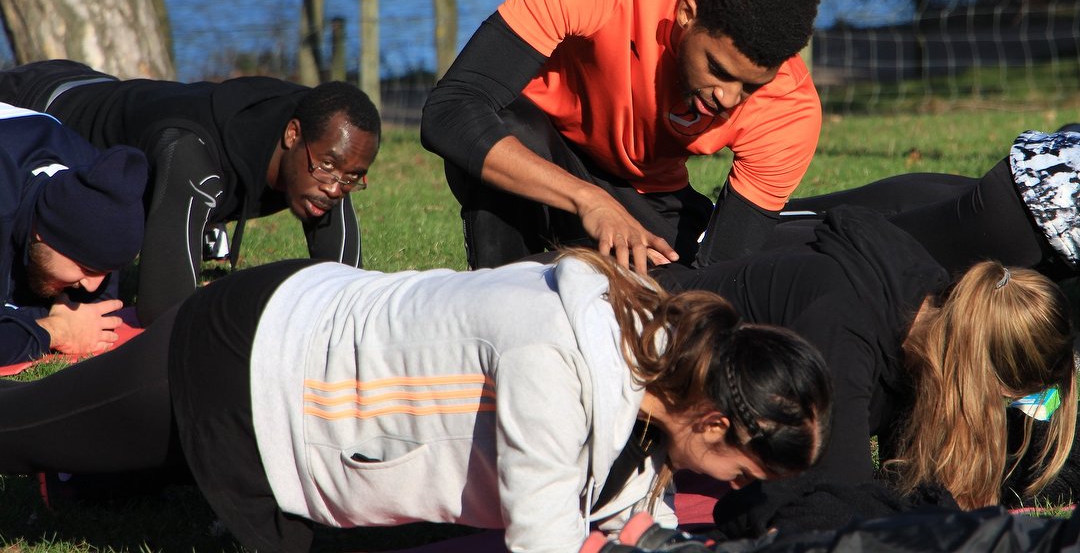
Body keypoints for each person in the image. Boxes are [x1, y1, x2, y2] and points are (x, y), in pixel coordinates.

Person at [0, 250, 833, 553]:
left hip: (305, 379)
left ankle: (86, 487)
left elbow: (623, 494)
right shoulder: (554, 361)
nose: (726, 486)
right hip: (255, 360)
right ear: (715, 420)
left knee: (132, 471)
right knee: (31, 429)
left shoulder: (662, 372)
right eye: (737, 469)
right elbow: (546, 537)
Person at [653, 205, 1077, 536]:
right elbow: (836, 508)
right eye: (1011, 400)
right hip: (644, 390)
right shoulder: (842, 330)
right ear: (978, 373)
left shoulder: (928, 311)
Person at [420, 0, 821, 275]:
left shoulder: (789, 107)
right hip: (544, 143)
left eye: (750, 87)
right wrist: (588, 200)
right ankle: (495, 302)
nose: (728, 98)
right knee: (505, 125)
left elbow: (720, 277)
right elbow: (451, 109)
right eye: (718, 68)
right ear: (686, 14)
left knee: (684, 281)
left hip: (645, 195)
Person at [0, 59, 381, 323]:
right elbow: (165, 310)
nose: (334, 187)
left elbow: (351, 290)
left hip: (102, 87)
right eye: (328, 167)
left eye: (352, 177)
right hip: (38, 105)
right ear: (292, 135)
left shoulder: (323, 150)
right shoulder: (190, 151)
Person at [776, 127, 1080, 281]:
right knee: (860, 250)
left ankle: (764, 217)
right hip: (1040, 214)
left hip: (1043, 170)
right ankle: (740, 250)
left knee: (897, 220)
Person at [0, 103, 148, 366]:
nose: (93, 285)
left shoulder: (96, 184)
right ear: (44, 235)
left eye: (105, 270)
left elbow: (92, 312)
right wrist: (54, 331)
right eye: (87, 269)